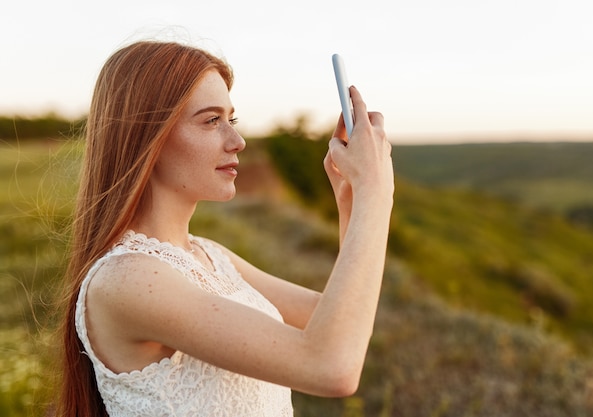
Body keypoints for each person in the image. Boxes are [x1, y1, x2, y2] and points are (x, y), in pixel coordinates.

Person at [55, 40, 394, 417]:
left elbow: (341, 319)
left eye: (230, 120)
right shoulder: (126, 278)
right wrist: (375, 194)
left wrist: (349, 202)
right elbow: (332, 367)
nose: (238, 141)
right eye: (211, 120)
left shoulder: (208, 255)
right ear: (146, 137)